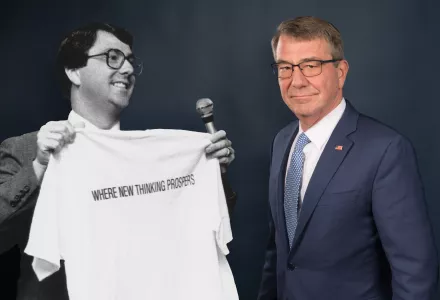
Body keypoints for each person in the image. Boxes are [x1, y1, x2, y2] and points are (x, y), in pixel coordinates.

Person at [0, 22, 236, 300]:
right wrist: (39, 167)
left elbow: (196, 230)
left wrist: (212, 173)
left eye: (130, 62)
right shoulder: (27, 149)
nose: (126, 69)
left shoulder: (151, 156)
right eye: (112, 58)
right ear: (74, 71)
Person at [257, 16, 438, 300]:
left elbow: (414, 271)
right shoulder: (282, 142)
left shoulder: (385, 150)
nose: (297, 80)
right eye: (285, 68)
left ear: (340, 72)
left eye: (311, 66)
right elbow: (279, 252)